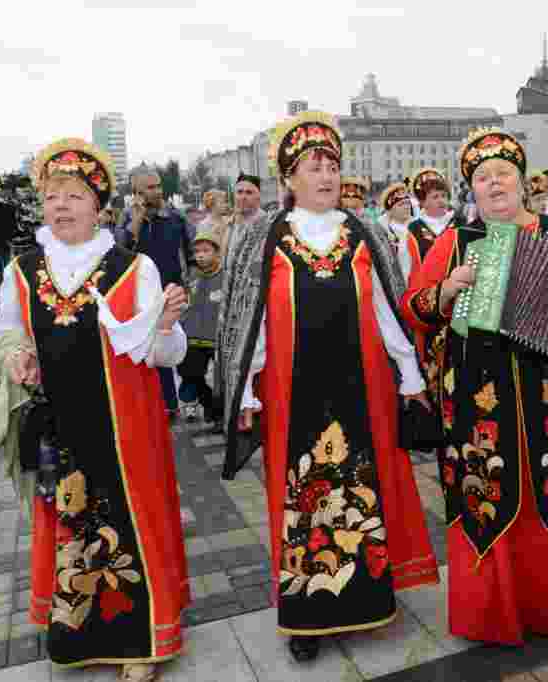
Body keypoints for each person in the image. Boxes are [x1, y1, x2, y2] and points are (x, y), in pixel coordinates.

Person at [217, 112, 438, 663]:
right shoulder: (264, 238)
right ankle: (306, 617)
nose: (325, 175)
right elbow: (251, 323)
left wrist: (410, 377)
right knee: (298, 500)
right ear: (288, 178)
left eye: (332, 165)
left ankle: (368, 596)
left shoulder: (367, 233)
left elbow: (390, 310)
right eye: (312, 167)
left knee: (368, 488)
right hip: (292, 394)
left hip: (363, 388)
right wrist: (245, 392)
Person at [400, 127, 548, 645]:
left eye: (503, 174)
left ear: (523, 182)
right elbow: (414, 309)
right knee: (493, 486)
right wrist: (445, 291)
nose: (494, 184)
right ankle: (496, 602)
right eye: (482, 178)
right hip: (481, 398)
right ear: (472, 191)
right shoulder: (455, 241)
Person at [0, 138, 189, 681]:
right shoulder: (23, 269)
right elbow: (9, 331)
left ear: (99, 204)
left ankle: (141, 644)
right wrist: (17, 357)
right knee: (69, 525)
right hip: (59, 425)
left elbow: (161, 354)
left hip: (125, 427)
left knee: (129, 522)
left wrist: (168, 325)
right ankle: (80, 635)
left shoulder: (135, 269)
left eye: (74, 195)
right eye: (52, 195)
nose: (60, 205)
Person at [119, 167, 195, 419]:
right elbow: (120, 251)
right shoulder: (128, 218)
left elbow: (190, 251)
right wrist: (137, 221)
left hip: (172, 291)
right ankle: (165, 405)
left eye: (158, 185)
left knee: (179, 347)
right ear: (136, 192)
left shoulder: (175, 216)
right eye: (150, 187)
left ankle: (185, 399)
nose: (157, 191)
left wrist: (189, 284)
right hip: (140, 295)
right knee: (150, 349)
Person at [178, 230, 224, 426]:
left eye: (206, 250)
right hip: (193, 336)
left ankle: (221, 416)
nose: (201, 255)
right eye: (197, 252)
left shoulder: (226, 276)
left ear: (217, 252)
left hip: (218, 338)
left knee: (222, 383)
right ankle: (211, 407)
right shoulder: (192, 274)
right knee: (190, 374)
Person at [229, 173, 265, 265]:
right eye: (239, 192)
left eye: (249, 192)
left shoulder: (266, 225)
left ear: (259, 196)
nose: (243, 197)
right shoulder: (230, 225)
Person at [378, 182, 414, 264]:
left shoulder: (416, 227)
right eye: (401, 204)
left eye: (408, 203)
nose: (406, 207)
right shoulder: (379, 231)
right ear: (390, 210)